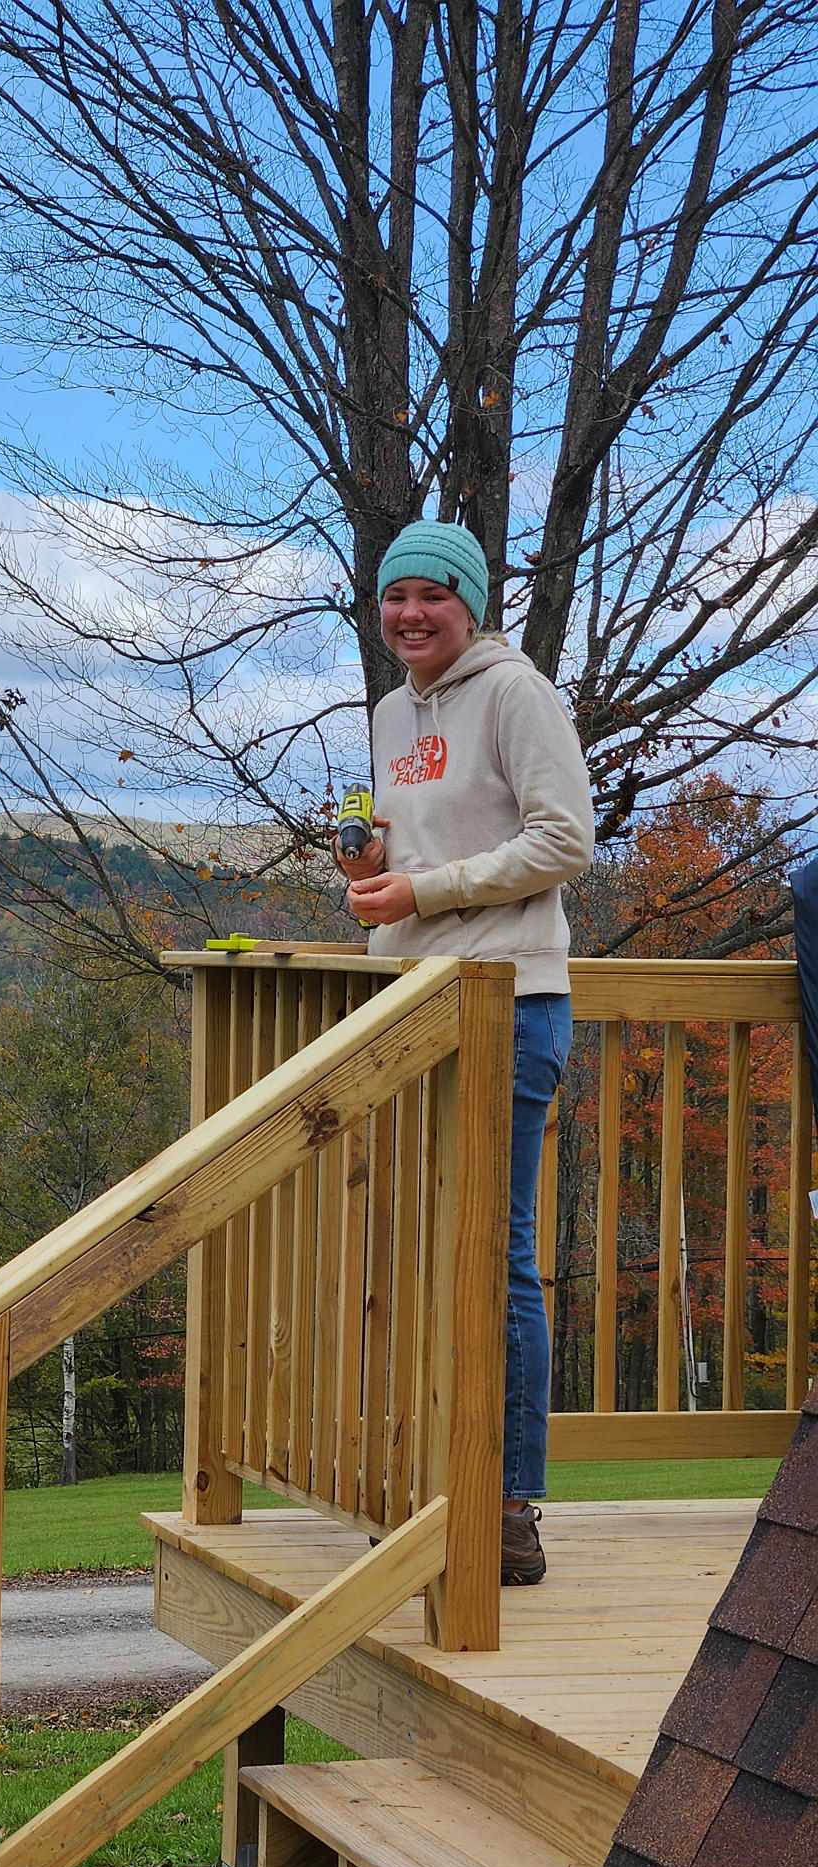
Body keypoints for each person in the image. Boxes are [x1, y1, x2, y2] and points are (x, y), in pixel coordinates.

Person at [334, 520, 595, 1586]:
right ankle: (428, 1483)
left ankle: (505, 1507)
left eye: (431, 596)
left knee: (494, 1257)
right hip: (408, 1000)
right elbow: (429, 847)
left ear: (470, 604)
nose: (409, 615)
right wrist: (374, 865)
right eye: (394, 596)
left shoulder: (516, 694)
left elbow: (565, 838)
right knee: (409, 1255)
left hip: (505, 1002)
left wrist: (427, 889)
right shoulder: (392, 710)